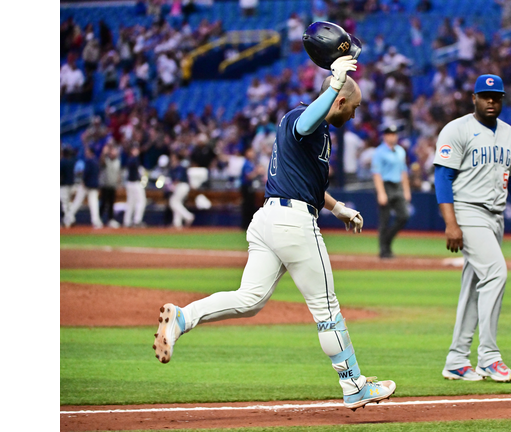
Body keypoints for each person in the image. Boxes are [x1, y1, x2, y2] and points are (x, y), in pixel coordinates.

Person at [153, 55, 396, 411]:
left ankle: (183, 317)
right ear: (338, 100)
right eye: (353, 107)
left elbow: (305, 183)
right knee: (327, 309)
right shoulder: (303, 118)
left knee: (250, 298)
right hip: (293, 224)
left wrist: (338, 207)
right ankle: (353, 384)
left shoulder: (316, 129)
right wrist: (334, 81)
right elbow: (309, 119)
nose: (355, 115)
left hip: (269, 219)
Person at [433, 74, 511, 383]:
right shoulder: (457, 129)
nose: (491, 101)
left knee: (474, 288)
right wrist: (451, 223)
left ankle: (457, 360)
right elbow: (442, 178)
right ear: (473, 98)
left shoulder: (509, 134)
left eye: (496, 97)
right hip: (467, 211)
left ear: (503, 100)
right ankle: (489, 357)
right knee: (496, 273)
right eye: (485, 96)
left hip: (495, 216)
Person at [371, 124, 411, 259]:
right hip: (386, 185)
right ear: (385, 136)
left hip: (397, 185)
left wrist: (406, 190)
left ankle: (387, 241)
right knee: (385, 219)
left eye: (394, 134)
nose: (393, 136)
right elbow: (377, 174)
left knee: (404, 216)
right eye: (390, 134)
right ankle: (384, 250)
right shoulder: (379, 152)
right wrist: (381, 193)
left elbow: (404, 171)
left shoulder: (400, 151)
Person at [64, 146, 103, 229]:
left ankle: (68, 219)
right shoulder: (96, 161)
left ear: (90, 151)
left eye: (87, 150)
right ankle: (96, 222)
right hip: (93, 185)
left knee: (77, 203)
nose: (86, 152)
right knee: (93, 204)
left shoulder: (89, 161)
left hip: (86, 185)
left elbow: (86, 173)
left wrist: (84, 182)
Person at [167, 153, 195, 228]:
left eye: (173, 157)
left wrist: (172, 186)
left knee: (173, 202)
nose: (172, 159)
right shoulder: (172, 168)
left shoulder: (180, 167)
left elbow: (177, 179)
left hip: (182, 186)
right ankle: (177, 223)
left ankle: (188, 216)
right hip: (179, 187)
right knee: (177, 203)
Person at [123, 145, 147, 228]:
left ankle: (127, 221)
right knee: (141, 201)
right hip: (135, 183)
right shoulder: (134, 159)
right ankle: (137, 221)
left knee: (131, 203)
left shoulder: (130, 159)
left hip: (130, 183)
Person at [100, 143, 122, 228]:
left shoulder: (117, 161)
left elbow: (118, 174)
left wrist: (119, 183)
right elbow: (102, 161)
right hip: (105, 185)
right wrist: (104, 153)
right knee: (103, 203)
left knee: (111, 204)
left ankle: (111, 220)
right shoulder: (106, 160)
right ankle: (99, 219)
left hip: (113, 186)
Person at [240, 146, 258, 230]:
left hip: (249, 187)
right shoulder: (247, 163)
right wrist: (257, 172)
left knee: (250, 206)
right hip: (246, 187)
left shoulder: (251, 163)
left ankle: (248, 224)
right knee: (247, 206)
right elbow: (248, 176)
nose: (253, 154)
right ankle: (245, 225)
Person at [60, 146, 77, 225]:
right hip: (72, 184)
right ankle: (71, 219)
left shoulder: (63, 162)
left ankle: (67, 220)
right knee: (69, 203)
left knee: (64, 203)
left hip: (64, 185)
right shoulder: (72, 161)